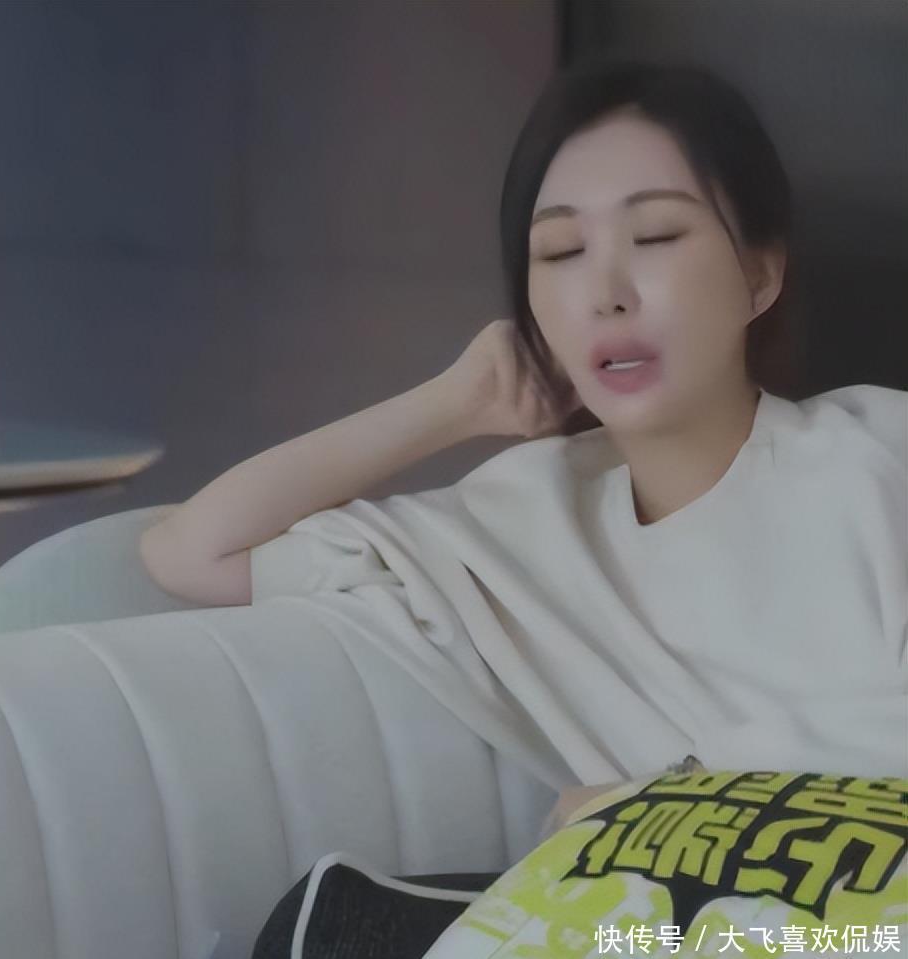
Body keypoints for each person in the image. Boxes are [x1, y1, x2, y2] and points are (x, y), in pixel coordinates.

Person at [140, 55, 907, 852]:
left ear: (759, 274)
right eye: (562, 251)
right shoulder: (525, 522)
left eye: (656, 235)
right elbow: (192, 551)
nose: (606, 292)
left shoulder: (879, 459)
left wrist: (653, 798)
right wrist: (454, 402)